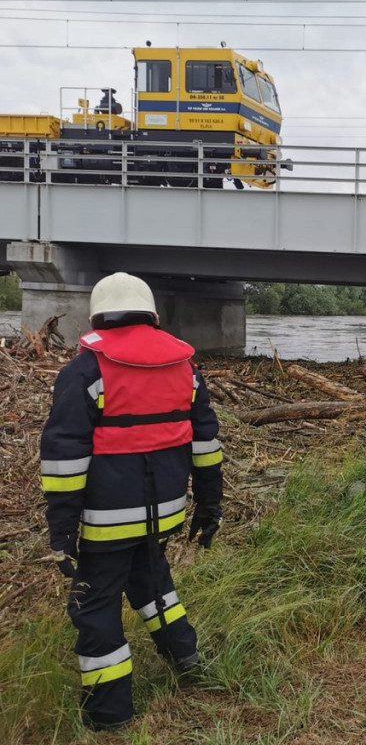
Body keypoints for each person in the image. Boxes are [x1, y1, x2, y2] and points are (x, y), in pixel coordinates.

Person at [39, 272, 224, 731]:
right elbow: (206, 445)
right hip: (165, 512)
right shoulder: (185, 369)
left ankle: (109, 716)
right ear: (152, 313)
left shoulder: (85, 371)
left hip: (107, 521)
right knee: (151, 582)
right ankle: (188, 662)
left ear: (97, 316)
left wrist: (62, 530)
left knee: (94, 606)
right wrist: (209, 505)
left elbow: (63, 460)